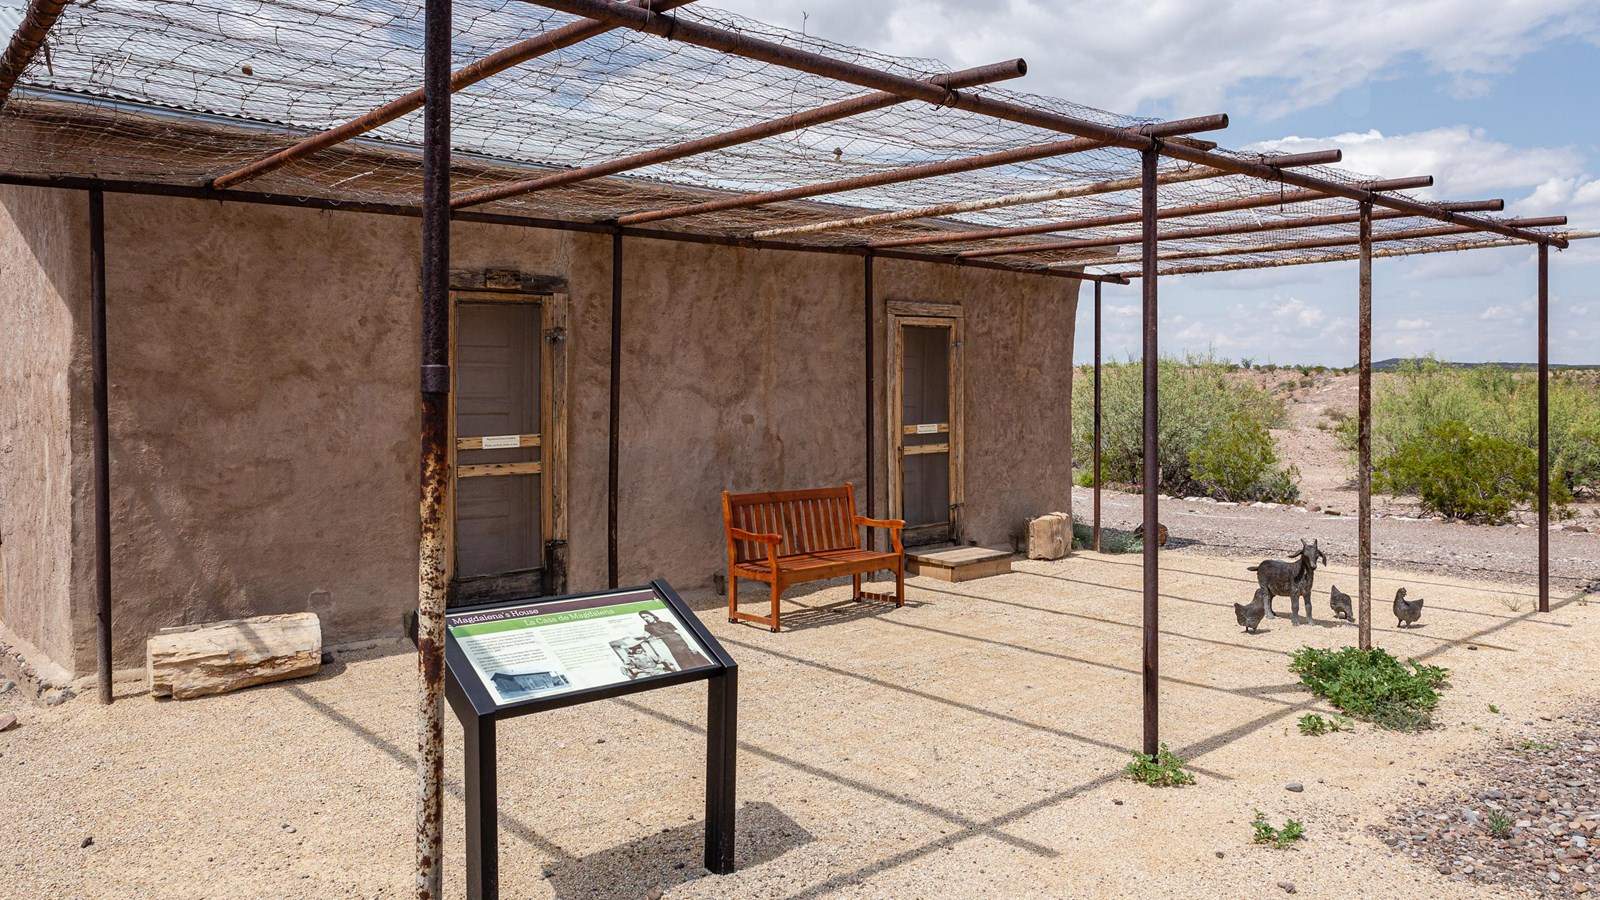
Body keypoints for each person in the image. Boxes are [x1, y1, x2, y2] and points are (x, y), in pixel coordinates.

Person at [639, 610, 708, 669]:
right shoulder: (648, 627)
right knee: (684, 663)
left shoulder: (666, 623)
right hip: (672, 647)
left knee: (696, 659)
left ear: (652, 615)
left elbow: (680, 634)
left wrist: (690, 645)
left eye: (646, 616)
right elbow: (644, 637)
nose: (645, 619)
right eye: (643, 618)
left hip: (682, 643)